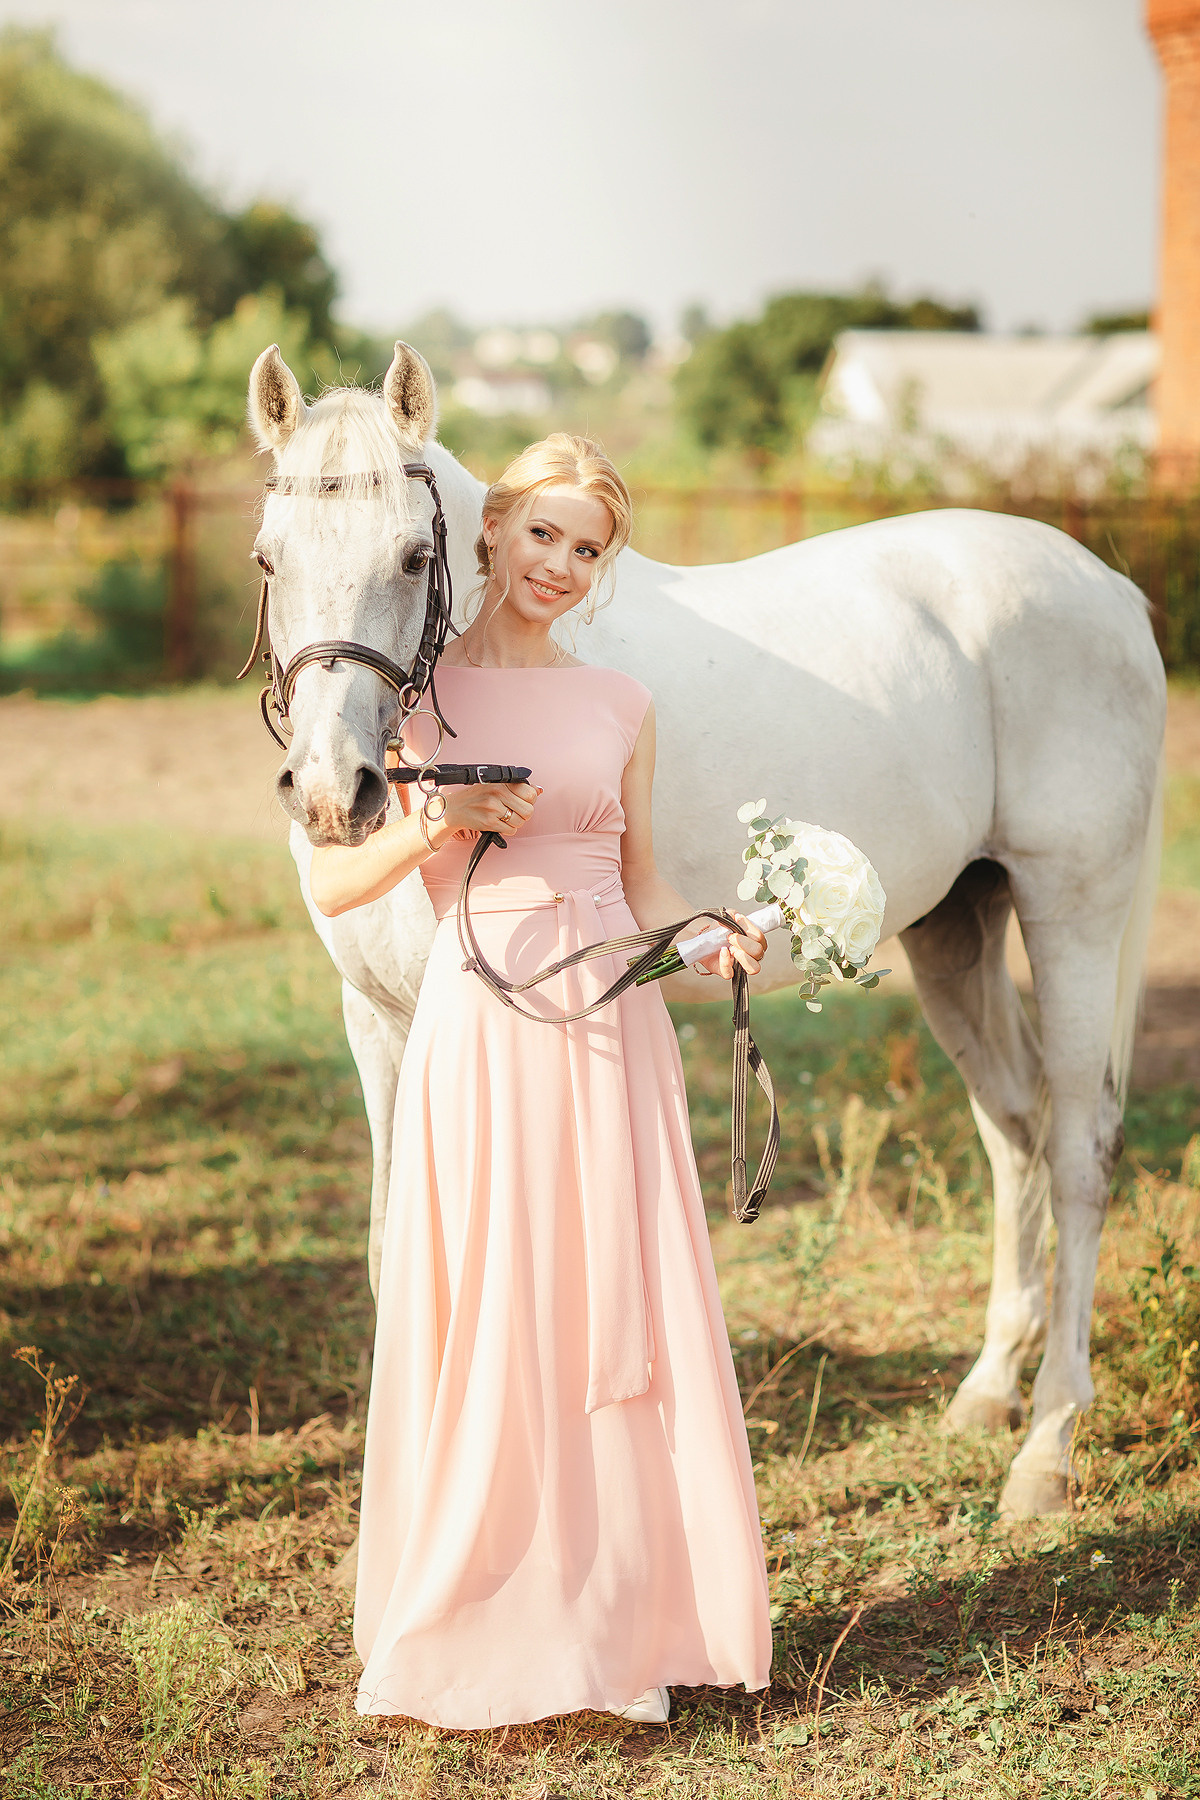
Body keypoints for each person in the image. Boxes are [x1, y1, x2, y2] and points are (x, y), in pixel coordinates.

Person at [309, 434, 772, 1729]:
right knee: (491, 1306)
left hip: (609, 1038)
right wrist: (434, 825)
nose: (561, 566)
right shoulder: (421, 705)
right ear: (496, 531)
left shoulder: (620, 703)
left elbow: (644, 890)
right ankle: (478, 1604)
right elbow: (335, 882)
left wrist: (711, 933)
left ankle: (616, 1621)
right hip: (480, 1031)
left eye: (590, 550)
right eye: (545, 537)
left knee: (604, 1312)